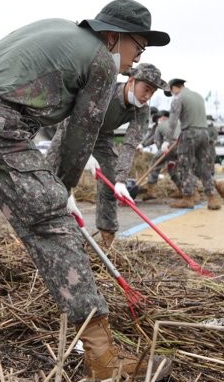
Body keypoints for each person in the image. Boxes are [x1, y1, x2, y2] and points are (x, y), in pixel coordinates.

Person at [0, 0, 171, 381]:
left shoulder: (54, 28)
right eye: (137, 48)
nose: (135, 61)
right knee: (52, 226)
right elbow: (80, 137)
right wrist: (62, 192)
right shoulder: (102, 60)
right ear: (113, 36)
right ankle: (103, 358)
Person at [46, 62, 168, 248]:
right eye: (146, 89)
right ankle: (48, 231)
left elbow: (129, 145)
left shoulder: (141, 111)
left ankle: (107, 237)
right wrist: (82, 153)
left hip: (102, 137)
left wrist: (120, 180)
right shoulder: (105, 90)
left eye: (153, 93)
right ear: (132, 80)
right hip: (72, 128)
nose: (148, 96)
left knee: (110, 180)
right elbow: (77, 120)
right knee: (52, 175)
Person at [166, 79, 221, 210]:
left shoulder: (178, 98)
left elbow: (172, 122)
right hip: (204, 134)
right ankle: (212, 198)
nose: (172, 94)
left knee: (186, 166)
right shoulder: (199, 96)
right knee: (204, 167)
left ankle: (187, 198)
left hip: (189, 133)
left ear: (175, 88)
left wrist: (167, 141)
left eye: (171, 91)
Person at [139, 110, 180, 197]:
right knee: (174, 169)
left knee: (154, 165)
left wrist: (143, 145)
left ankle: (151, 192)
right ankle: (183, 190)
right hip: (183, 148)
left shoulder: (160, 126)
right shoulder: (178, 123)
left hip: (169, 147)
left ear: (162, 118)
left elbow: (157, 141)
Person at [205, 115, 224, 201]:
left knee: (209, 171)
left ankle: (214, 186)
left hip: (210, 151)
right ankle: (212, 185)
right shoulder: (203, 128)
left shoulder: (213, 129)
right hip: (202, 151)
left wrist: (206, 140)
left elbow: (214, 140)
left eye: (209, 120)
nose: (208, 121)